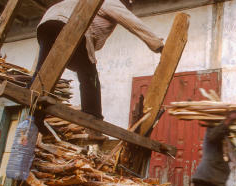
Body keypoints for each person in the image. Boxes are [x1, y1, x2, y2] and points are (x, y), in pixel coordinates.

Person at [31, 0, 163, 123]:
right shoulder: (111, 2)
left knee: (43, 70)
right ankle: (92, 113)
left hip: (47, 23)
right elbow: (132, 23)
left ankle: (34, 101)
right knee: (89, 75)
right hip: (70, 24)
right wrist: (157, 44)